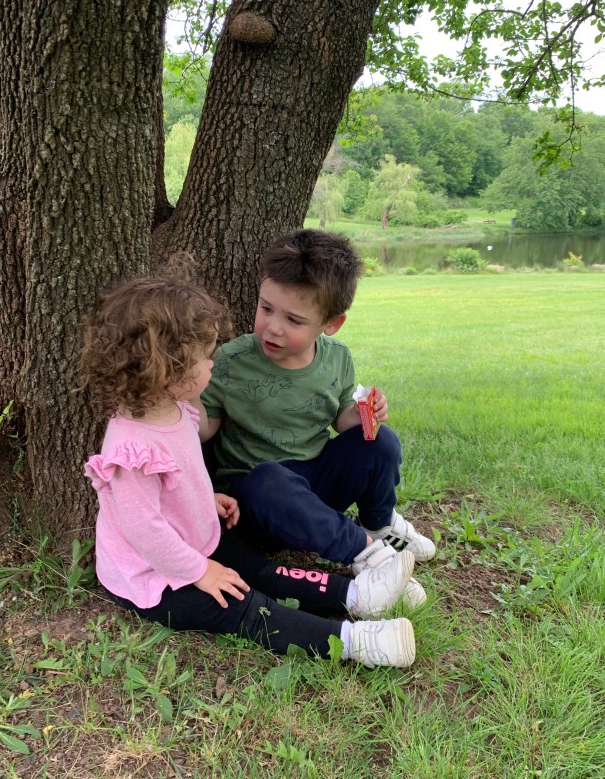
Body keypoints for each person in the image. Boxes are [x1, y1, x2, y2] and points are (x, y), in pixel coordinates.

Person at [81, 274, 422, 668]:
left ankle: (359, 595)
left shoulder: (176, 410)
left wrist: (203, 498)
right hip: (155, 579)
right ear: (170, 370)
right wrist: (200, 572)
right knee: (245, 605)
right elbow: (144, 530)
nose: (212, 363)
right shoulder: (132, 448)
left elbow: (173, 481)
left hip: (193, 541)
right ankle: (353, 641)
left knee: (261, 570)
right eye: (205, 357)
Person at [197, 229, 436, 596]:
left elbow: (341, 418)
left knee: (381, 441)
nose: (273, 327)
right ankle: (367, 556)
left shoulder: (337, 358)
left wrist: (364, 415)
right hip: (256, 498)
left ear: (331, 324)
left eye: (293, 320)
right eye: (266, 308)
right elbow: (206, 429)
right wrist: (185, 399)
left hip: (314, 481)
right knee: (269, 480)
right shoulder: (232, 360)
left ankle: (379, 525)